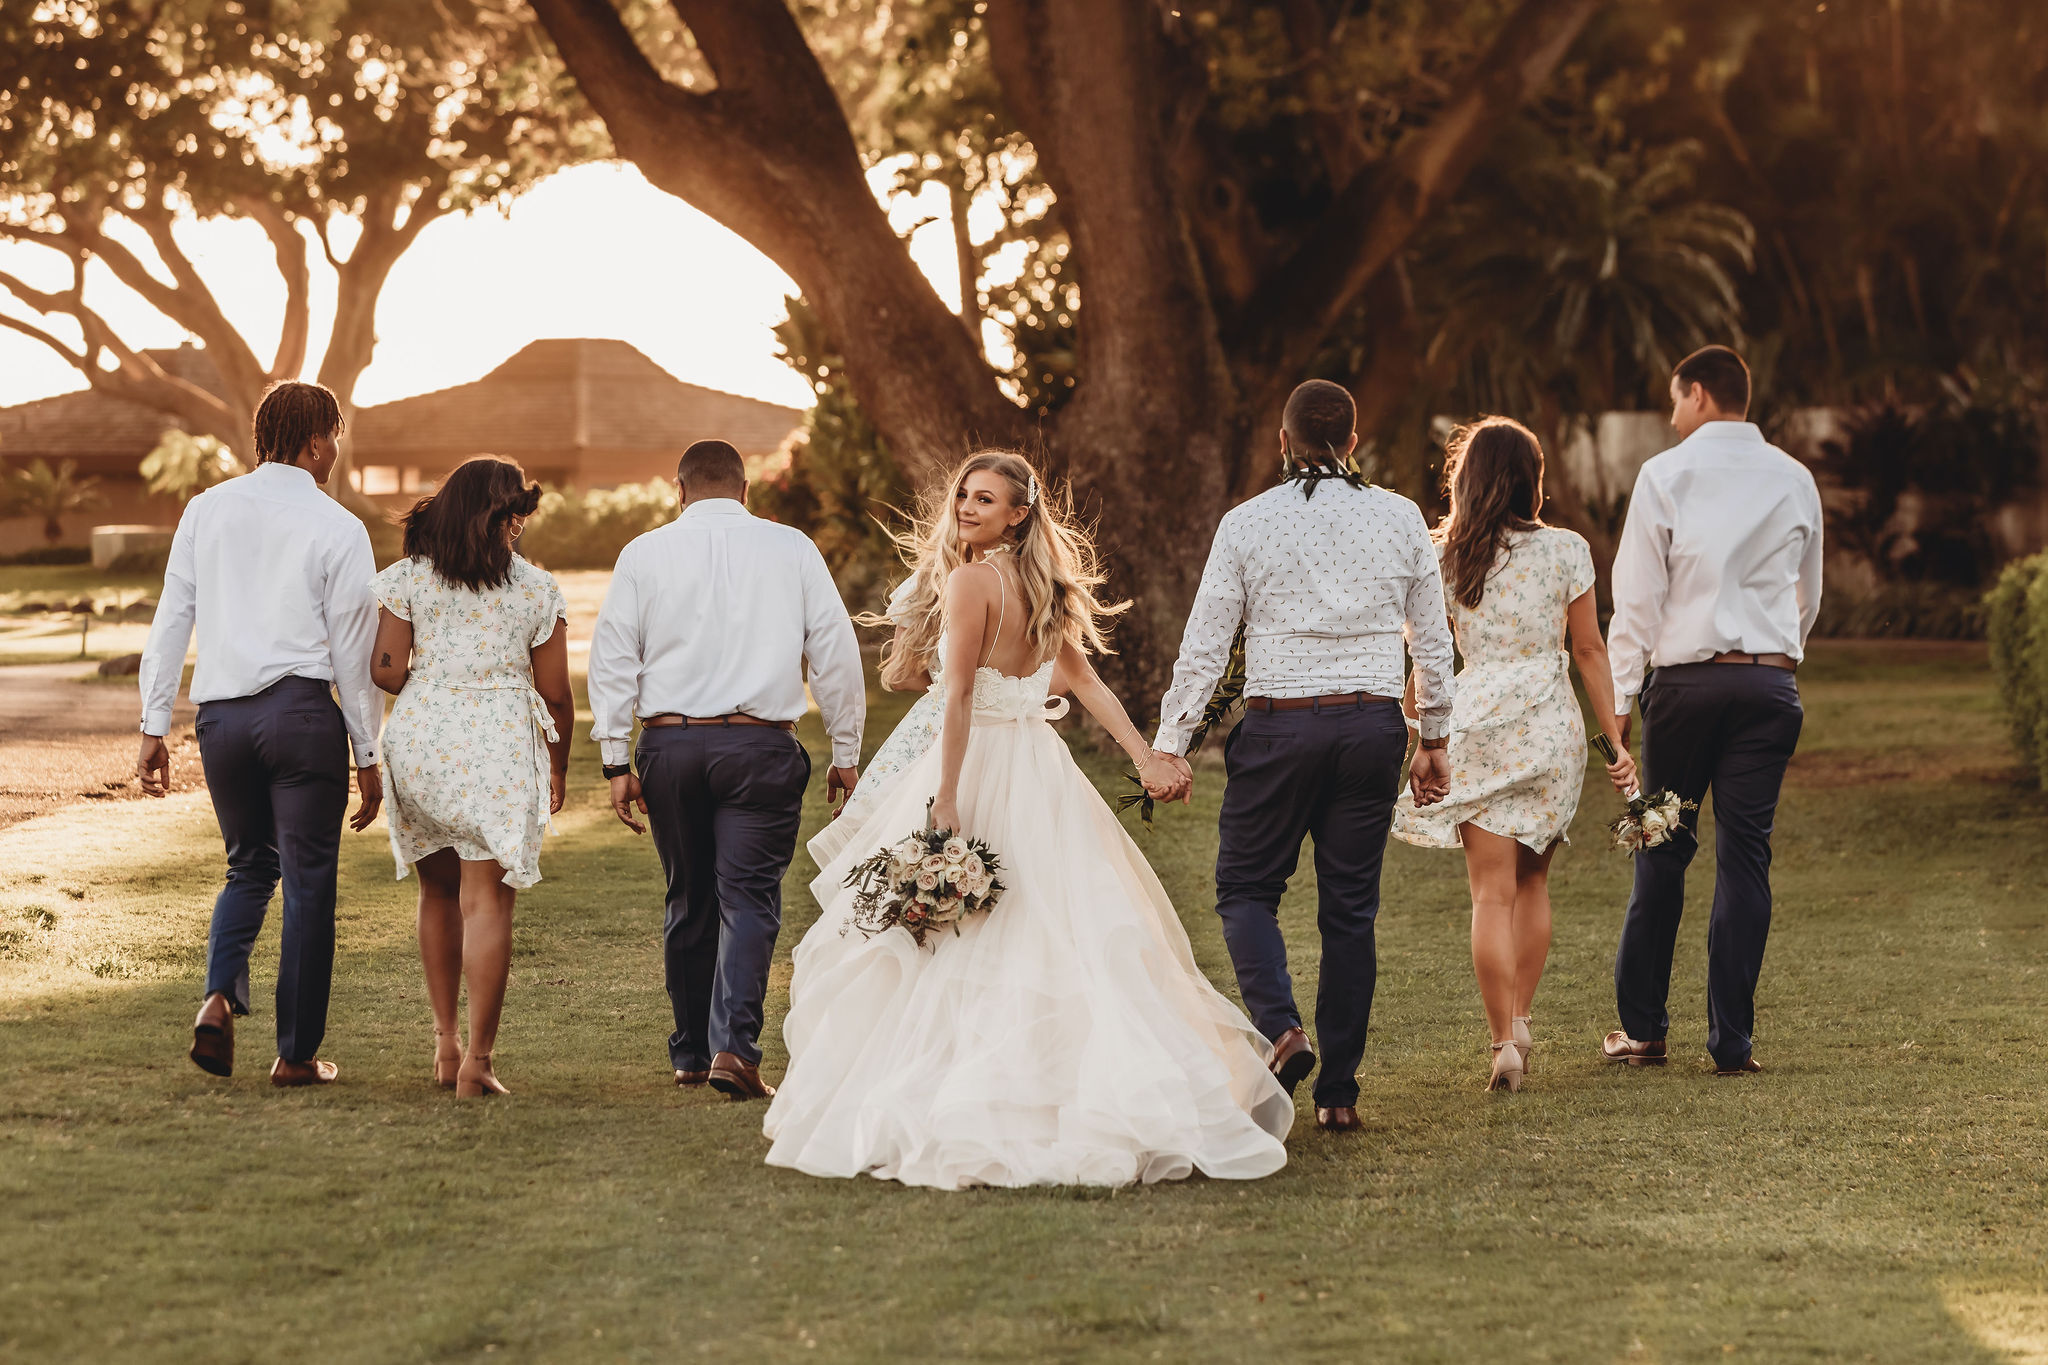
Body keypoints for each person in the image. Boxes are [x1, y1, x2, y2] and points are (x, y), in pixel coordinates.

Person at [764, 450, 1291, 1189]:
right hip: (1039, 767)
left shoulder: (971, 580)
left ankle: (976, 1096)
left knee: (978, 932)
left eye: (986, 499)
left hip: (982, 763)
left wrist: (946, 796)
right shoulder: (1033, 581)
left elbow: (959, 698)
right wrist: (1142, 755)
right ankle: (1045, 1091)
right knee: (1047, 922)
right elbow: (1082, 680)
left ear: (1019, 512)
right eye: (963, 497)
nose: (968, 508)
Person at [1152, 379, 1457, 1134]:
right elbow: (1435, 638)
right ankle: (1340, 1095)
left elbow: (1206, 642)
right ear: (1353, 444)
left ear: (1282, 444)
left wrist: (1171, 742)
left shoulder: (1246, 523)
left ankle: (1284, 1030)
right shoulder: (1401, 517)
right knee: (1350, 912)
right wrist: (1435, 737)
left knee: (1245, 887)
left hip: (1281, 726)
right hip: (1371, 727)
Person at [588, 439, 866, 1100]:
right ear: (746, 491)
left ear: (678, 490)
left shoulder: (643, 553)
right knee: (748, 897)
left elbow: (613, 657)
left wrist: (613, 759)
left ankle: (690, 1052)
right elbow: (835, 649)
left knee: (689, 896)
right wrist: (846, 749)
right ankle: (733, 1049)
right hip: (759, 745)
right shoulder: (791, 547)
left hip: (670, 747)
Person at [137, 380, 384, 1087]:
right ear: (313, 442)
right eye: (334, 435)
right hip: (302, 717)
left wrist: (155, 723)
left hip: (222, 721)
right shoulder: (339, 526)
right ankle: (295, 1055)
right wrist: (368, 753)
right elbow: (351, 651)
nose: (336, 449)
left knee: (248, 866)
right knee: (308, 885)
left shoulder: (205, 510)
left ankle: (216, 998)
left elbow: (170, 621)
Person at [1389, 418, 1637, 1092]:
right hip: (1550, 723)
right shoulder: (1567, 550)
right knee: (1533, 881)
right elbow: (1588, 649)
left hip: (1476, 721)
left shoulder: (1444, 555)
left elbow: (1430, 661)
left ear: (1464, 480)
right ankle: (1522, 1016)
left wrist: (1417, 734)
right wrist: (1615, 738)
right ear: (1534, 477)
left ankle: (1504, 1042)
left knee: (1488, 893)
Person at [1604, 344, 1823, 1076]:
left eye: (1674, 400)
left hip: (1684, 698)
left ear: (1698, 394)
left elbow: (1637, 599)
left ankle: (1644, 1031)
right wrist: (1775, 658)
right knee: (1746, 856)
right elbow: (1809, 593)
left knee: (1660, 848)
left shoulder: (1665, 475)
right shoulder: (1795, 478)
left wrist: (1622, 700)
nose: (1671, 417)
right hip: (1767, 694)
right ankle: (1733, 1043)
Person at [369, 456, 574, 1099]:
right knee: (486, 900)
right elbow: (558, 693)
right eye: (517, 514)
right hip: (498, 748)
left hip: (421, 743)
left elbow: (384, 669)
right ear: (505, 517)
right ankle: (478, 1063)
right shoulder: (537, 590)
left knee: (437, 893)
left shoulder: (406, 580)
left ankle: (445, 1044)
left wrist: (433, 685)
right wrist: (559, 766)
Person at [804, 575, 945, 869]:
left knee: (903, 841)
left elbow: (901, 674)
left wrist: (946, 682)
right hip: (1013, 722)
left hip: (937, 722)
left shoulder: (929, 581)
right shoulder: (1034, 574)